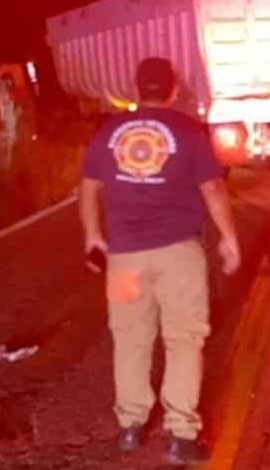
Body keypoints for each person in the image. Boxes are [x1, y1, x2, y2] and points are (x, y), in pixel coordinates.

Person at [79, 55, 241, 465]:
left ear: (136, 89)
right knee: (184, 340)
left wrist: (93, 235)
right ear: (172, 89)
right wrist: (229, 238)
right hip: (178, 255)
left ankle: (130, 426)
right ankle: (180, 436)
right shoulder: (187, 130)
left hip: (124, 258)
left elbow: (88, 187)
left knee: (130, 339)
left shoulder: (108, 131)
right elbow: (213, 190)